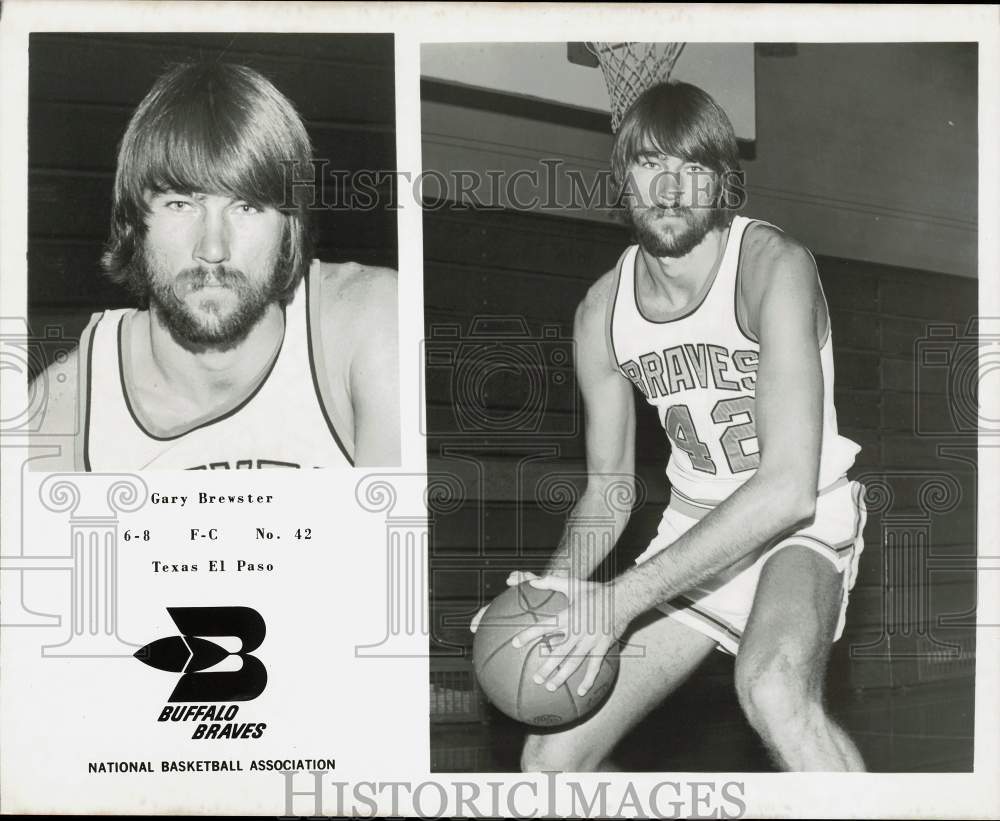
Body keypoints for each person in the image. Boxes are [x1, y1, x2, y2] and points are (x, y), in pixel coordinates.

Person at [476, 81, 867, 772]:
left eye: (693, 170)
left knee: (774, 689)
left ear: (722, 183)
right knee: (549, 761)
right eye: (651, 164)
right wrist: (551, 594)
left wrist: (621, 599)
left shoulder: (773, 267)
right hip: (694, 527)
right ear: (621, 178)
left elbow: (787, 490)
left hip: (798, 524)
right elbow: (609, 490)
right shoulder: (602, 311)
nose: (671, 189)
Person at [30, 61, 399, 470]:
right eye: (181, 204)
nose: (213, 248)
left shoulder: (369, 324)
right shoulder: (56, 419)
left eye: (246, 206)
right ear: (134, 222)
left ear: (289, 228)